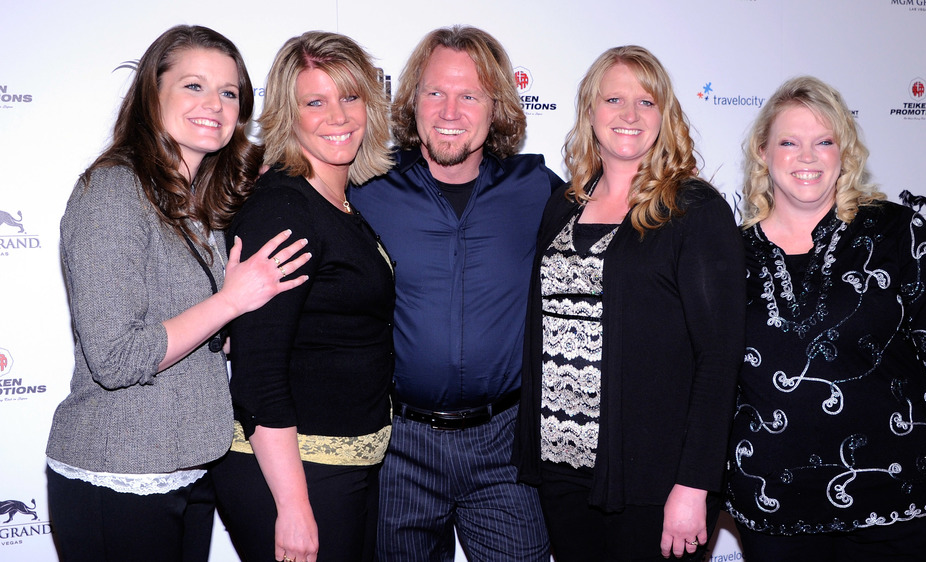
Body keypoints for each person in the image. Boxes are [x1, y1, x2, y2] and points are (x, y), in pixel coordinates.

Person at [45, 25, 310, 562]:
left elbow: (188, 326)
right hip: (116, 475)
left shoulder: (197, 201)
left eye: (229, 92)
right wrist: (231, 301)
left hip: (190, 471)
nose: (213, 104)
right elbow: (116, 357)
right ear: (152, 94)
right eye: (193, 86)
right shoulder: (113, 191)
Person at [726, 76, 926, 561]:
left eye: (823, 142)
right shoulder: (726, 255)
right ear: (762, 152)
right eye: (789, 142)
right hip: (773, 513)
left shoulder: (900, 235)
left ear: (844, 152)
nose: (807, 156)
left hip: (897, 507)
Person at [511, 46, 746, 561]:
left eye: (646, 101)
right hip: (562, 469)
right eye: (613, 98)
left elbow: (719, 357)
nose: (629, 115)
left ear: (666, 115)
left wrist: (694, 485)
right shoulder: (564, 204)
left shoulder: (692, 209)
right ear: (590, 111)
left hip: (654, 480)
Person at [349, 25, 562, 561]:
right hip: (399, 444)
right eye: (435, 93)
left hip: (505, 444)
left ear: (498, 108)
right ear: (412, 100)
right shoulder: (365, 188)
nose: (450, 111)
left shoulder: (537, 189)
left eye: (469, 95)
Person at [210, 32, 395, 562]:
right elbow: (258, 371)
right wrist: (292, 505)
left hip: (343, 466)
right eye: (315, 102)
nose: (338, 117)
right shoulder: (284, 210)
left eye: (350, 97)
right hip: (296, 474)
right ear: (289, 114)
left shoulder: (335, 202)